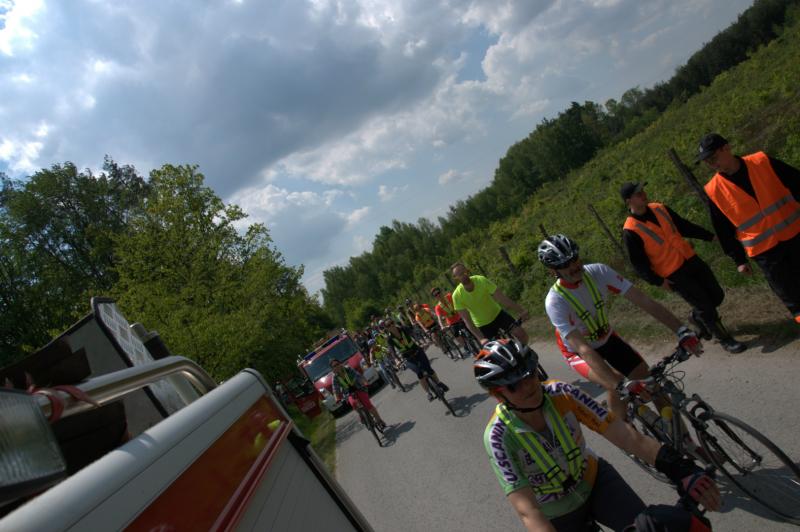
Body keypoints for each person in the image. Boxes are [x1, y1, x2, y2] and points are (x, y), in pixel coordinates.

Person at [476, 339, 721, 531]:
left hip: (595, 481)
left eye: (530, 374)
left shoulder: (562, 393)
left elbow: (625, 435)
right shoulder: (498, 437)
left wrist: (679, 468)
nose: (528, 385)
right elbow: (528, 511)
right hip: (556, 512)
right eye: (513, 385)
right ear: (498, 394)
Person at [538, 234, 701, 420]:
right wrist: (619, 384)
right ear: (553, 271)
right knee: (615, 384)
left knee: (652, 384)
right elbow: (582, 348)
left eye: (574, 259)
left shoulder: (599, 271)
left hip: (608, 339)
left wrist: (681, 330)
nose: (574, 266)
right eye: (565, 265)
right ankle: (624, 430)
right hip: (578, 352)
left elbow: (643, 300)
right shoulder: (555, 301)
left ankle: (682, 436)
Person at [621, 181, 746, 353]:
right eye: (638, 194)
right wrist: (658, 281)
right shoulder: (630, 230)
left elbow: (684, 226)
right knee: (705, 306)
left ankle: (697, 317)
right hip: (674, 274)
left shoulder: (659, 208)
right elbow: (639, 264)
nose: (643, 194)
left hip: (690, 259)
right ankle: (725, 340)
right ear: (629, 201)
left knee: (716, 295)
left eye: (642, 191)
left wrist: (710, 236)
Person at [695, 133, 800, 324]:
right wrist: (739, 260)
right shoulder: (714, 190)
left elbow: (796, 182)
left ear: (726, 148)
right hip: (765, 253)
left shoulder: (761, 162)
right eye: (707, 162)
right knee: (792, 296)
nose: (712, 164)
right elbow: (723, 229)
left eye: (713, 158)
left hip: (795, 234)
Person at [451, 262, 529, 345]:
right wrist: (481, 338)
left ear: (467, 271)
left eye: (464, 272)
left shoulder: (480, 280)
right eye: (459, 274)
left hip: (498, 314)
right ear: (456, 278)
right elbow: (467, 320)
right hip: (483, 325)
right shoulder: (457, 296)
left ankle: (523, 352)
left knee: (522, 334)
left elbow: (502, 298)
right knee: (498, 350)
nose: (463, 275)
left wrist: (521, 311)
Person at [384, 317, 449, 401]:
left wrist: (422, 343)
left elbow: (414, 335)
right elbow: (392, 350)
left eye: (392, 323)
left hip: (417, 351)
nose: (392, 326)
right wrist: (397, 360)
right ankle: (428, 393)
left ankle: (439, 383)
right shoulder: (389, 339)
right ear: (387, 329)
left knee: (428, 369)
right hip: (407, 358)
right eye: (389, 325)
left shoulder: (403, 329)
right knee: (419, 373)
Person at [330, 358, 387, 428]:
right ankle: (361, 415)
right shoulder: (334, 378)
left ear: (340, 364)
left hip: (359, 387)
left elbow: (358, 376)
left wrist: (365, 382)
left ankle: (379, 420)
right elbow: (335, 389)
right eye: (334, 366)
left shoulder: (348, 369)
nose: (337, 366)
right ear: (333, 369)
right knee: (353, 404)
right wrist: (337, 398)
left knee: (368, 405)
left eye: (337, 364)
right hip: (348, 393)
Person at [431, 285, 471, 353]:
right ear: (435, 297)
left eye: (438, 293)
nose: (438, 295)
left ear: (441, 292)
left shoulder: (449, 296)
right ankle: (465, 346)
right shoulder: (437, 307)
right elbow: (439, 318)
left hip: (461, 316)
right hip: (452, 322)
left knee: (469, 325)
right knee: (456, 334)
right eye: (436, 295)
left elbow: (459, 301)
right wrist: (442, 326)